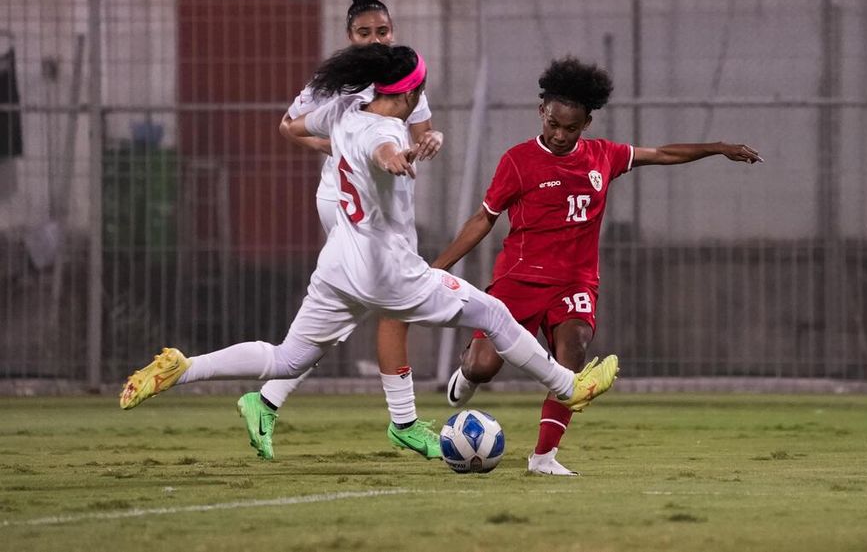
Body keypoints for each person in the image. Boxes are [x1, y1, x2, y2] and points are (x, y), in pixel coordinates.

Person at [120, 45, 620, 449]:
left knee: (289, 358)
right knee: (492, 314)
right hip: (387, 271)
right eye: (419, 94)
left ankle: (184, 368)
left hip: (339, 261)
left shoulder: (343, 109)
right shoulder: (385, 132)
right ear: (405, 96)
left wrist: (394, 149)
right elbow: (383, 152)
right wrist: (397, 158)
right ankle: (566, 386)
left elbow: (296, 127)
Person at [434, 56, 761, 476]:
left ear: (587, 122)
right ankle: (468, 373)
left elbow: (660, 153)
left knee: (574, 351)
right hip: (519, 281)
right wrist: (436, 269)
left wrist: (717, 148)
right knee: (483, 366)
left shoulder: (603, 157)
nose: (558, 134)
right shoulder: (518, 161)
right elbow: (483, 218)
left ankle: (543, 458)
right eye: (553, 123)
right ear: (542, 112)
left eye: (570, 127)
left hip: (575, 282)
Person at [236, 0, 445, 462]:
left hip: (383, 203)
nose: (375, 39)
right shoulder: (337, 83)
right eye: (365, 32)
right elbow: (289, 125)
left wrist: (431, 140)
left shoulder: (402, 77)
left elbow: (419, 133)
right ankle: (405, 422)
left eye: (383, 31)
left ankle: (267, 400)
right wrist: (338, 147)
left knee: (350, 308)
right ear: (349, 36)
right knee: (394, 300)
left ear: (393, 31)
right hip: (346, 204)